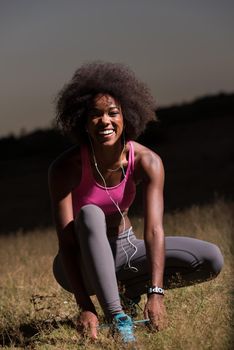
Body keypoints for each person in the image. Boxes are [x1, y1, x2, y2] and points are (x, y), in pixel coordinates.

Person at [49, 62, 224, 344]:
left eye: (112, 113)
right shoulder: (64, 168)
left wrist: (156, 292)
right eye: (95, 114)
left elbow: (154, 230)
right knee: (90, 214)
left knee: (211, 258)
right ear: (82, 121)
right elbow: (67, 242)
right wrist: (85, 305)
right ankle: (118, 318)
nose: (104, 120)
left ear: (126, 117)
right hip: (80, 263)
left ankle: (129, 294)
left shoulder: (147, 161)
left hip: (127, 250)